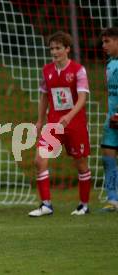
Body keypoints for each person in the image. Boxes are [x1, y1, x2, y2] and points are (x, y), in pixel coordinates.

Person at [28, 31, 91, 217]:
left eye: (58, 48)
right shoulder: (46, 71)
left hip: (75, 123)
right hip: (54, 123)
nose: (54, 52)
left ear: (67, 49)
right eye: (51, 49)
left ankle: (84, 205)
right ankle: (46, 205)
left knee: (81, 164)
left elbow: (82, 98)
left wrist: (70, 116)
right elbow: (44, 96)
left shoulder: (78, 70)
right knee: (39, 160)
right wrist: (40, 120)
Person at [100, 27, 118, 212]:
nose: (104, 45)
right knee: (107, 155)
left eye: (108, 41)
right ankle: (113, 200)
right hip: (112, 119)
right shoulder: (110, 63)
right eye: (103, 42)